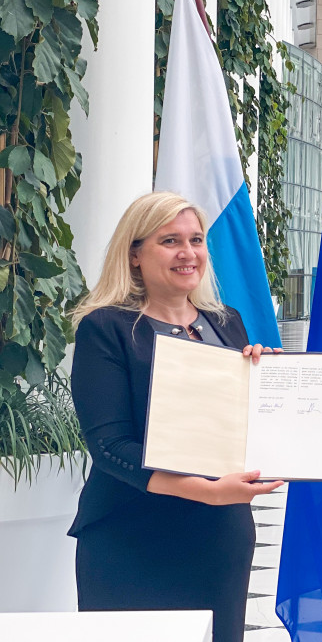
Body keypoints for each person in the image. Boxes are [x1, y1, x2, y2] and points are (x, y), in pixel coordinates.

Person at [68, 191, 283, 642]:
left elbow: (242, 424)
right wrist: (204, 492)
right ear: (134, 256)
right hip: (130, 534)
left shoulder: (228, 323)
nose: (188, 254)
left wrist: (271, 383)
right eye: (170, 241)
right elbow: (110, 448)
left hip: (219, 536)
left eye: (196, 240)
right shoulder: (104, 327)